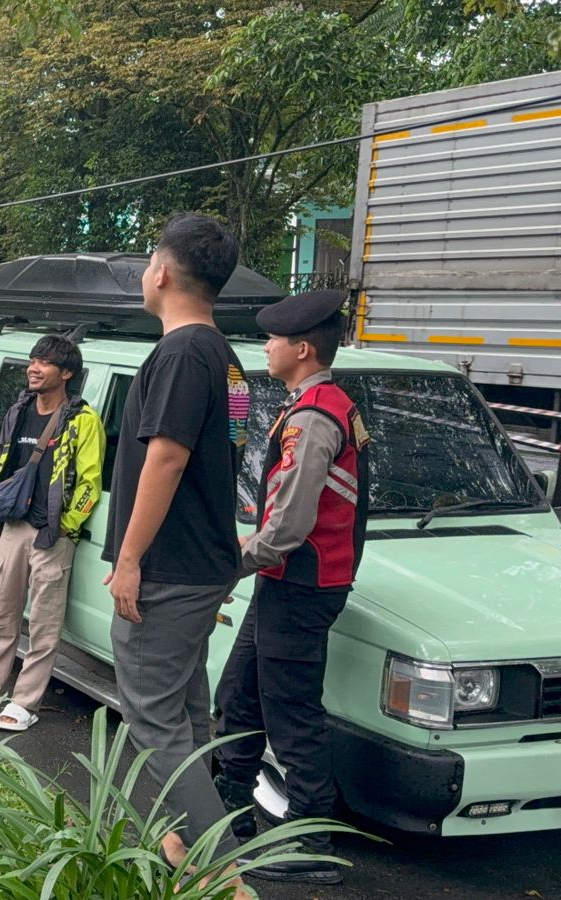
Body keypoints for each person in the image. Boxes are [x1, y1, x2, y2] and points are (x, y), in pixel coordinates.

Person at [102, 213, 251, 870]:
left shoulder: (182, 353)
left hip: (170, 567)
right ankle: (180, 846)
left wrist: (130, 558)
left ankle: (225, 876)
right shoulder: (231, 359)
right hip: (207, 561)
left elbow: (166, 458)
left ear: (161, 273)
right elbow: (236, 448)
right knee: (186, 712)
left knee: (153, 719)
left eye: (146, 263)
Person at [214, 290, 369, 885]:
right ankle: (231, 813)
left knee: (291, 710)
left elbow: (288, 522)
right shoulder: (318, 403)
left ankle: (311, 840)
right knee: (240, 694)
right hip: (289, 581)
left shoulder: (312, 417)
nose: (266, 347)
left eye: (273, 340)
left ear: (302, 349)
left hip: (302, 583)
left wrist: (232, 564)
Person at [0, 335, 104, 731]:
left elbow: (90, 481)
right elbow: (4, 464)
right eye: (32, 360)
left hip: (50, 534)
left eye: (45, 363)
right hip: (14, 527)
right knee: (4, 613)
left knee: (43, 623)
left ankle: (26, 701)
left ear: (66, 372)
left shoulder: (82, 420)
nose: (33, 368)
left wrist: (66, 527)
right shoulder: (18, 410)